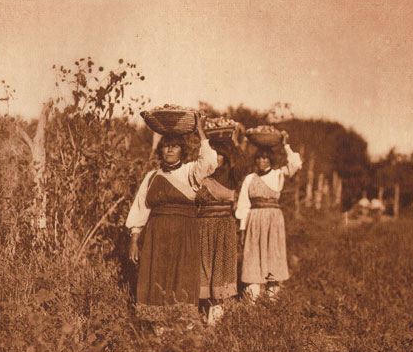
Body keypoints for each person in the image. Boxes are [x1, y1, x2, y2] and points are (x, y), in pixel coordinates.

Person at [126, 115, 217, 320]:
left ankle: (182, 330)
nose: (170, 150)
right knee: (156, 278)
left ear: (182, 151)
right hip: (156, 237)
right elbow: (140, 209)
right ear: (161, 150)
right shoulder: (152, 177)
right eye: (166, 146)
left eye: (175, 146)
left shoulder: (190, 172)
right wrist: (134, 240)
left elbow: (210, 162)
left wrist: (200, 131)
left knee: (182, 279)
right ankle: (158, 329)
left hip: (185, 235)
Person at [235, 131, 302, 302]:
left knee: (273, 256)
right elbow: (244, 204)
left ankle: (272, 301)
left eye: (265, 158)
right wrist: (242, 229)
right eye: (259, 158)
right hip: (254, 221)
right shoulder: (250, 179)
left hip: (273, 221)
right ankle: (252, 300)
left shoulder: (278, 174)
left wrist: (286, 145)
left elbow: (296, 164)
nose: (262, 161)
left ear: (271, 160)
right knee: (253, 256)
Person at [196, 130, 248, 323]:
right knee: (202, 267)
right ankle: (199, 314)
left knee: (221, 267)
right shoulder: (200, 175)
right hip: (201, 227)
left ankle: (216, 318)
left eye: (220, 154)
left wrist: (234, 142)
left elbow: (244, 163)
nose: (216, 159)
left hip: (223, 228)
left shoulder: (231, 175)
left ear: (226, 158)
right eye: (213, 154)